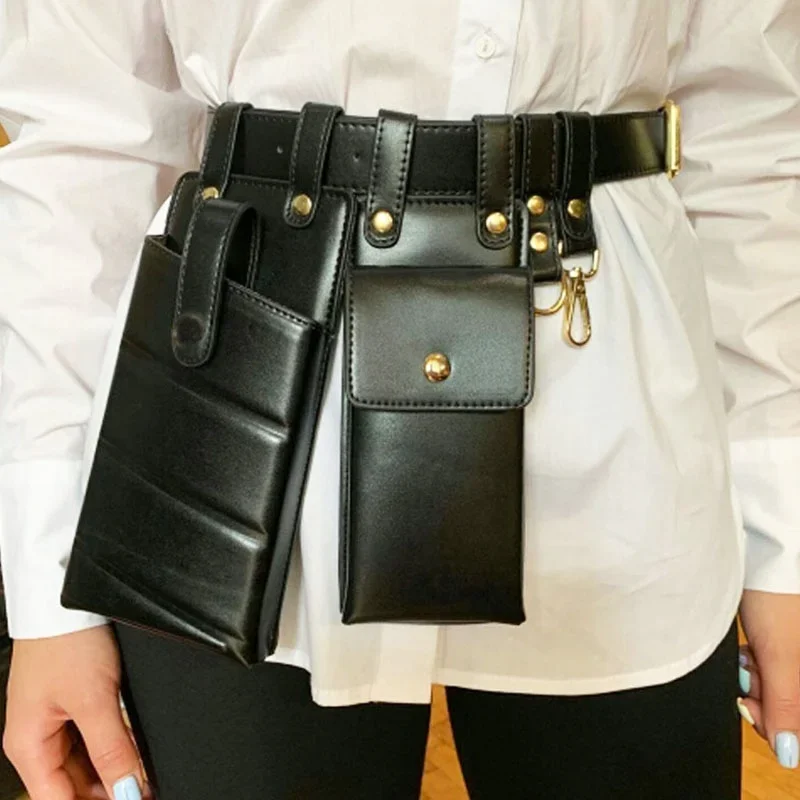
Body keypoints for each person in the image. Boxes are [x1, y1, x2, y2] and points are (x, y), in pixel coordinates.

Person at [0, 2, 798, 798]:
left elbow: (753, 134)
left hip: (619, 446)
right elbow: (86, 134)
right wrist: (50, 592)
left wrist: (785, 542)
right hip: (234, 435)